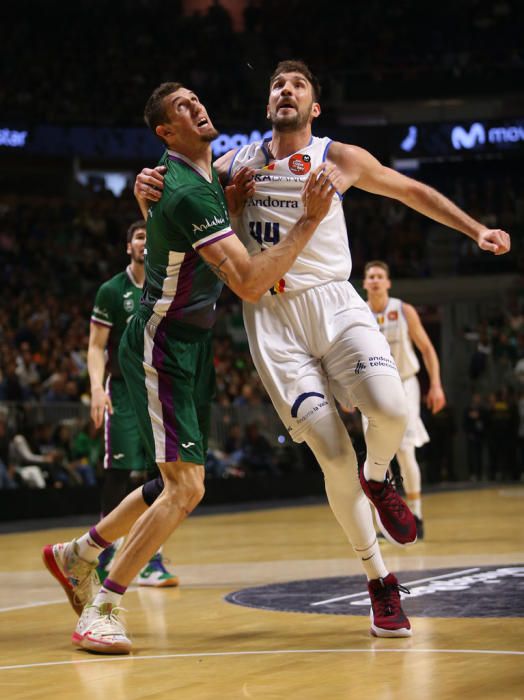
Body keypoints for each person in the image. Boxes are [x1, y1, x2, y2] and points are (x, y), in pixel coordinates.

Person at [135, 60, 511, 639]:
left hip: (336, 302)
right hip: (274, 320)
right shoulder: (234, 163)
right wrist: (146, 190)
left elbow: (411, 191)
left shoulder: (340, 158)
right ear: (268, 106)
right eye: (277, 85)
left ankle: (380, 475)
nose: (285, 90)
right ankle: (380, 581)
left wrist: (475, 229)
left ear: (314, 109)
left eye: (298, 86)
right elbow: (178, 213)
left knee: (390, 411)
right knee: (332, 456)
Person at [42, 79, 341, 654]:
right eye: (183, 106)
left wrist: (226, 205)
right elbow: (251, 283)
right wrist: (308, 221)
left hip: (189, 343)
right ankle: (102, 606)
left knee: (168, 480)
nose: (198, 105)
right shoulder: (182, 190)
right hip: (163, 341)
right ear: (165, 132)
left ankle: (77, 553)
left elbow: (193, 242)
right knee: (186, 488)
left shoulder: (203, 177)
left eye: (197, 98)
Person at [87, 220, 178, 587]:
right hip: (123, 390)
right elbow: (96, 346)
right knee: (120, 471)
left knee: (162, 475)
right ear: (129, 247)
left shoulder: (166, 287)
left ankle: (149, 557)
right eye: (139, 237)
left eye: (149, 237)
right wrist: (96, 388)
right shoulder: (112, 290)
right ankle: (104, 550)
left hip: (158, 387)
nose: (144, 243)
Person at [362, 260, 446, 539]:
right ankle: (384, 521)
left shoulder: (403, 309)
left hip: (405, 382)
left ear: (388, 283)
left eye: (379, 276)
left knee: (405, 449)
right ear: (364, 284)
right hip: (372, 387)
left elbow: (427, 349)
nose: (375, 280)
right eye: (370, 276)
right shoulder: (358, 312)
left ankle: (417, 514)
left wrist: (435, 384)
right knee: (376, 456)